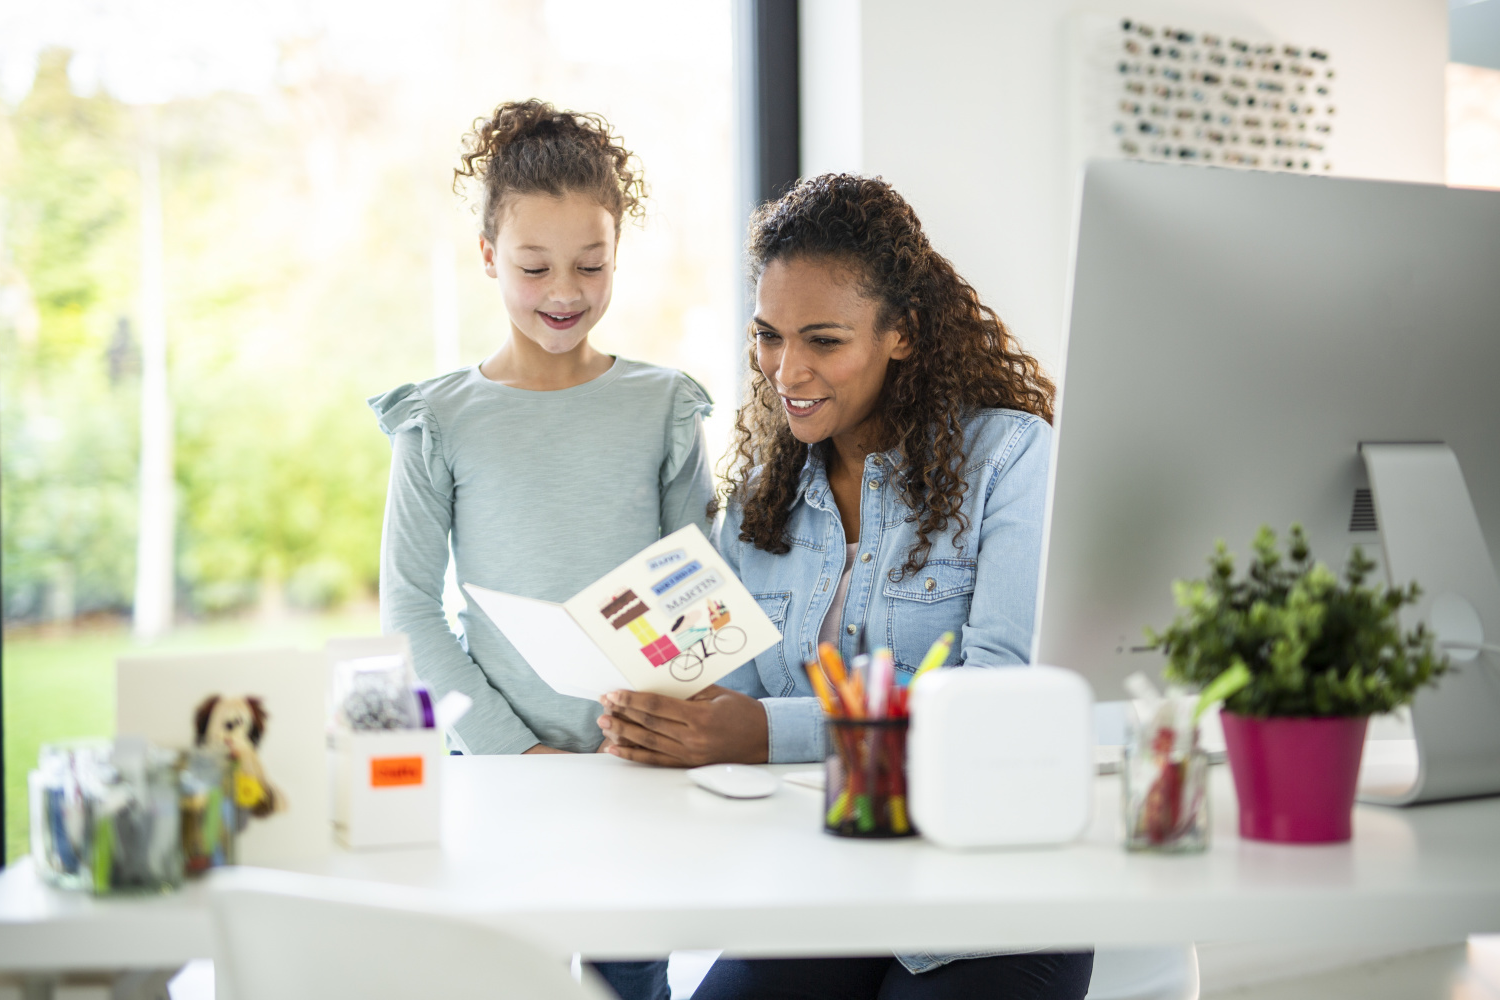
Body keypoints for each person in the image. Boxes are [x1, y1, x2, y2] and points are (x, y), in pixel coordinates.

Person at [597, 174, 1093, 999]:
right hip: (816, 894)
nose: (786, 369)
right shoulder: (762, 499)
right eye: (768, 335)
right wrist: (671, 722)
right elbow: (732, 705)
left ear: (901, 333)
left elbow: (995, 695)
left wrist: (759, 730)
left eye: (823, 340)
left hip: (983, 905)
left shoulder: (1010, 457)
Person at [369, 99, 711, 1000]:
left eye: (591, 265)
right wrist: (514, 756)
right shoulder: (436, 419)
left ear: (616, 257)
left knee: (632, 981)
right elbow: (408, 606)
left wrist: (657, 727)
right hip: (496, 781)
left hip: (631, 771)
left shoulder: (663, 406)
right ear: (489, 258)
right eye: (534, 266)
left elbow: (697, 589)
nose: (565, 292)